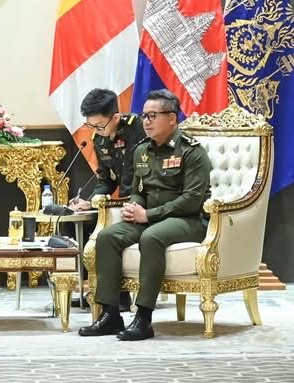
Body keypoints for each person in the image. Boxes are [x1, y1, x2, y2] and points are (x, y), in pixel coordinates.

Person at [78, 88, 211, 341]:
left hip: (189, 220)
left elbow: (192, 200)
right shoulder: (142, 150)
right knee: (107, 237)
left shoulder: (192, 151)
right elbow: (138, 190)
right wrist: (133, 206)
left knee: (151, 237)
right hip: (149, 216)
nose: (146, 122)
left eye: (152, 116)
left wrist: (148, 214)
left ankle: (143, 318)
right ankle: (110, 314)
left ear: (171, 118)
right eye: (144, 115)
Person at [66, 88, 146, 310]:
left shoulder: (137, 129)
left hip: (142, 199)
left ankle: (119, 296)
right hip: (120, 202)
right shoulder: (99, 140)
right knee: (78, 223)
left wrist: (113, 205)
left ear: (116, 117)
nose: (96, 131)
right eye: (91, 126)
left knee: (107, 228)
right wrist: (90, 201)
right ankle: (94, 288)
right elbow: (106, 180)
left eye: (100, 126)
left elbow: (135, 175)